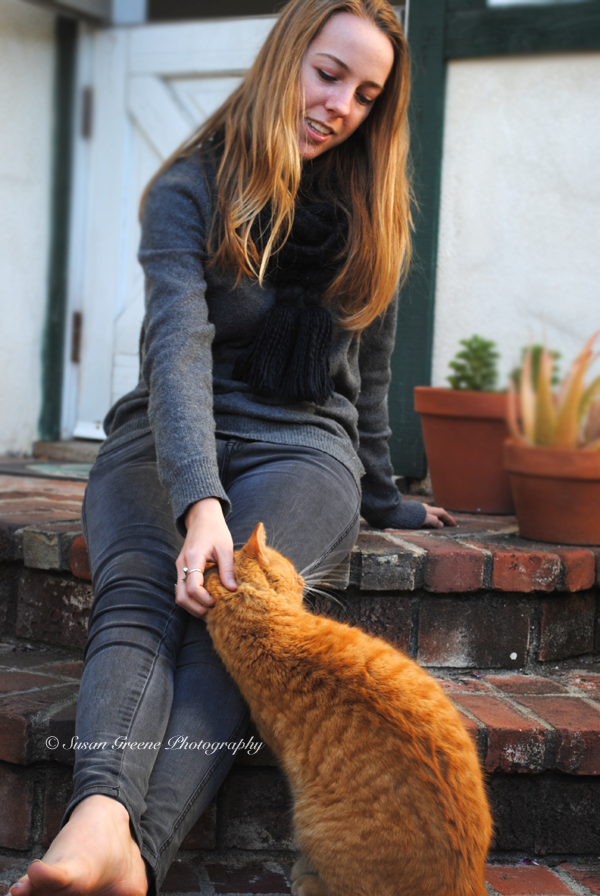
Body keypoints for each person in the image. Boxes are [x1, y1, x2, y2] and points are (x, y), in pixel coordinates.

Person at [10, 2, 455, 895]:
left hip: (302, 445)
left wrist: (382, 494)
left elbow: (367, 377)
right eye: (329, 74)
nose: (341, 106)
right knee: (141, 591)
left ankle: (135, 851)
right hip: (167, 430)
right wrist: (200, 502)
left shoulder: (373, 208)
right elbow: (177, 346)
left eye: (367, 95)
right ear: (286, 58)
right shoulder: (191, 188)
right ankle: (100, 820)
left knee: (237, 615)